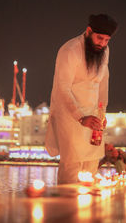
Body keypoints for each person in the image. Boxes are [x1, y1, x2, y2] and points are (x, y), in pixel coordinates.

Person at [45, 14, 118, 184]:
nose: (102, 43)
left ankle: (87, 208)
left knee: (92, 164)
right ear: (88, 31)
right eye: (99, 38)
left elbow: (103, 82)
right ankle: (66, 207)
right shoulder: (70, 50)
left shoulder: (104, 51)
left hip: (93, 117)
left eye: (107, 40)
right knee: (72, 166)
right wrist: (80, 116)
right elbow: (62, 88)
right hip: (70, 117)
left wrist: (102, 113)